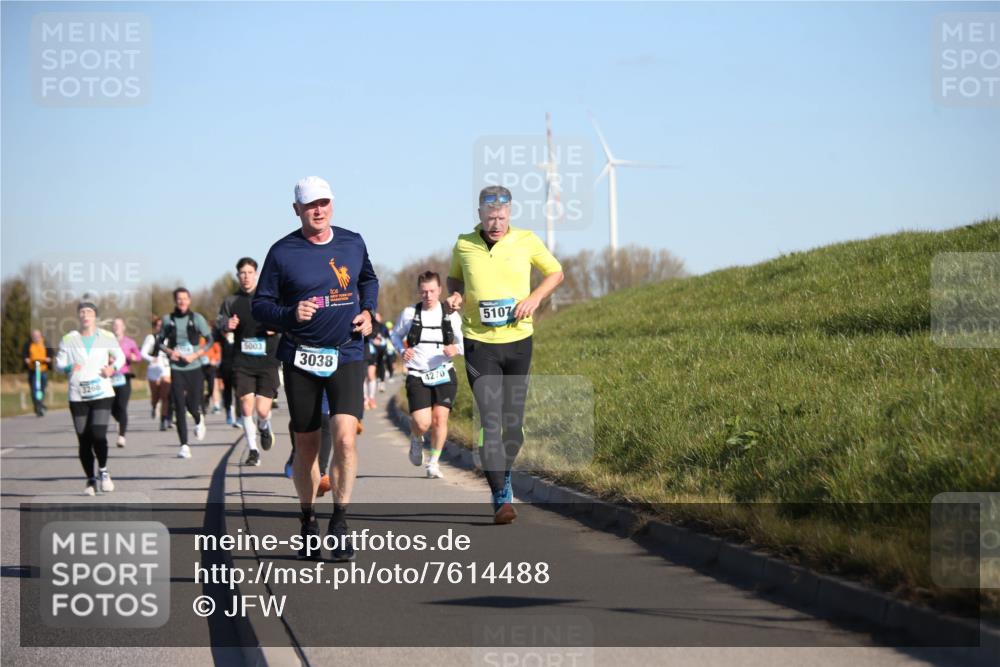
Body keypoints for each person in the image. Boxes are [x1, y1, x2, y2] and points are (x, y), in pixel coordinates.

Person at [252, 176, 377, 562]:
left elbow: (368, 279)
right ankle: (307, 519)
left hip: (347, 353)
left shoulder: (352, 242)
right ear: (297, 210)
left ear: (332, 204)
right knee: (306, 446)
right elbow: (261, 306)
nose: (318, 210)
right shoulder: (282, 252)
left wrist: (369, 311)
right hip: (301, 357)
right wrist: (291, 312)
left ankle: (340, 521)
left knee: (345, 438)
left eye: (323, 202)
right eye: (310, 205)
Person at [446, 185, 564, 524]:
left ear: (509, 213)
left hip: (517, 341)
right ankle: (500, 496)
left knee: (513, 426)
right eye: (490, 217)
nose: (496, 224)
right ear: (479, 214)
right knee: (490, 419)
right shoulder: (464, 243)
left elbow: (555, 272)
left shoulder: (526, 240)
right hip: (478, 342)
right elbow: (454, 279)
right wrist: (454, 297)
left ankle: (505, 472)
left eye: (501, 217)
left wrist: (536, 298)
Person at [391, 271, 464, 479]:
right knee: (422, 423)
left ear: (440, 291)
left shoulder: (450, 314)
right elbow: (395, 335)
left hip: (444, 372)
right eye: (424, 292)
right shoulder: (409, 313)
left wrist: (456, 349)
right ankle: (416, 437)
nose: (428, 296)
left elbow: (466, 341)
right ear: (418, 292)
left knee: (440, 419)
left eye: (432, 291)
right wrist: (402, 350)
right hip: (417, 373)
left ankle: (433, 462)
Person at [55, 301, 126, 495]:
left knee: (98, 434)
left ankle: (103, 471)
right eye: (82, 312)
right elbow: (58, 363)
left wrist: (113, 368)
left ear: (95, 316)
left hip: (102, 392)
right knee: (84, 440)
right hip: (78, 395)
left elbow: (120, 357)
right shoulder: (69, 338)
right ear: (78, 316)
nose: (85, 315)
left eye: (89, 312)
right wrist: (68, 367)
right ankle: (90, 480)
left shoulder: (106, 336)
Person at [218, 257, 280, 467]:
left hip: (267, 360)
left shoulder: (268, 298)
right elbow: (220, 324)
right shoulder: (231, 301)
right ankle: (253, 450)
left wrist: (276, 326)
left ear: (256, 274)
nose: (246, 277)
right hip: (242, 361)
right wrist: (228, 324)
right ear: (238, 276)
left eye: (249, 273)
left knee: (262, 409)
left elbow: (286, 318)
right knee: (245, 405)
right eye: (242, 273)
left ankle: (264, 425)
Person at [155, 287, 213, 459]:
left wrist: (195, 354)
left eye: (185, 298)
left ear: (189, 300)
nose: (182, 301)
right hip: (177, 368)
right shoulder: (168, 320)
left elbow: (209, 340)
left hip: (194, 367)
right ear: (175, 301)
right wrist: (170, 352)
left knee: (192, 405)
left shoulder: (197, 319)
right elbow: (159, 341)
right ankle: (184, 445)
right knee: (179, 405)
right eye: (179, 299)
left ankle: (198, 419)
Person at [109, 318, 142, 448]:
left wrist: (132, 357)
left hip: (123, 377)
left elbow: (139, 357)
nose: (117, 327)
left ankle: (121, 436)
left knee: (122, 406)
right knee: (112, 408)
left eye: (119, 325)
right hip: (110, 378)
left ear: (123, 328)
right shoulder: (107, 343)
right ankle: (119, 420)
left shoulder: (130, 342)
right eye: (114, 325)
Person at [141, 316, 173, 430]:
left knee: (165, 396)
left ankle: (163, 420)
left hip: (166, 369)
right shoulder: (151, 338)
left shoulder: (170, 338)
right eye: (158, 325)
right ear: (155, 327)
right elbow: (143, 353)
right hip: (154, 369)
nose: (161, 328)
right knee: (155, 397)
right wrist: (151, 358)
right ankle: (154, 406)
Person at [23, 329, 52, 417]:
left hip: (43, 369)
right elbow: (25, 354)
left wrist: (49, 358)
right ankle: (38, 406)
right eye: (34, 336)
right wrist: (26, 359)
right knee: (34, 389)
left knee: (41, 388)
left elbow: (51, 354)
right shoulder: (28, 344)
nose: (36, 337)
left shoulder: (45, 343)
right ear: (32, 337)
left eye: (38, 336)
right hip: (33, 369)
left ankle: (40, 404)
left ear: (41, 336)